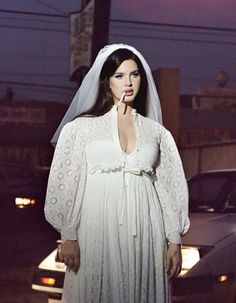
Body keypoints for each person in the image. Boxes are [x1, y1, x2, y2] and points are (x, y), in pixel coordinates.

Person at [44, 43, 190, 303]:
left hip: (147, 228)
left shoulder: (157, 133)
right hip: (96, 227)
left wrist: (174, 240)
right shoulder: (81, 129)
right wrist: (68, 235)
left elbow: (167, 187)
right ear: (106, 81)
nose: (129, 82)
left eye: (135, 74)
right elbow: (67, 182)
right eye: (119, 76)